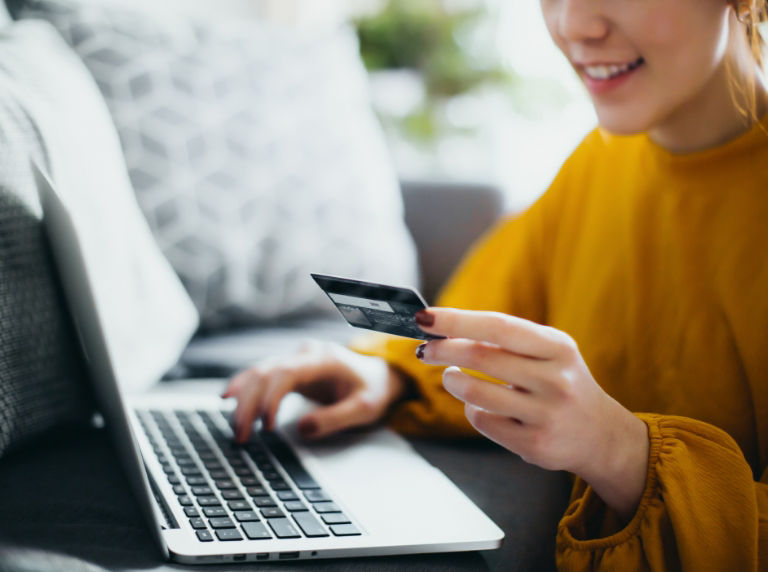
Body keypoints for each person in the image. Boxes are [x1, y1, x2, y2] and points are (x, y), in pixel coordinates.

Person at [223, 0, 768, 568]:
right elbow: (490, 327)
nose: (575, 26)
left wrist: (618, 450)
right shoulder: (598, 163)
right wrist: (382, 374)